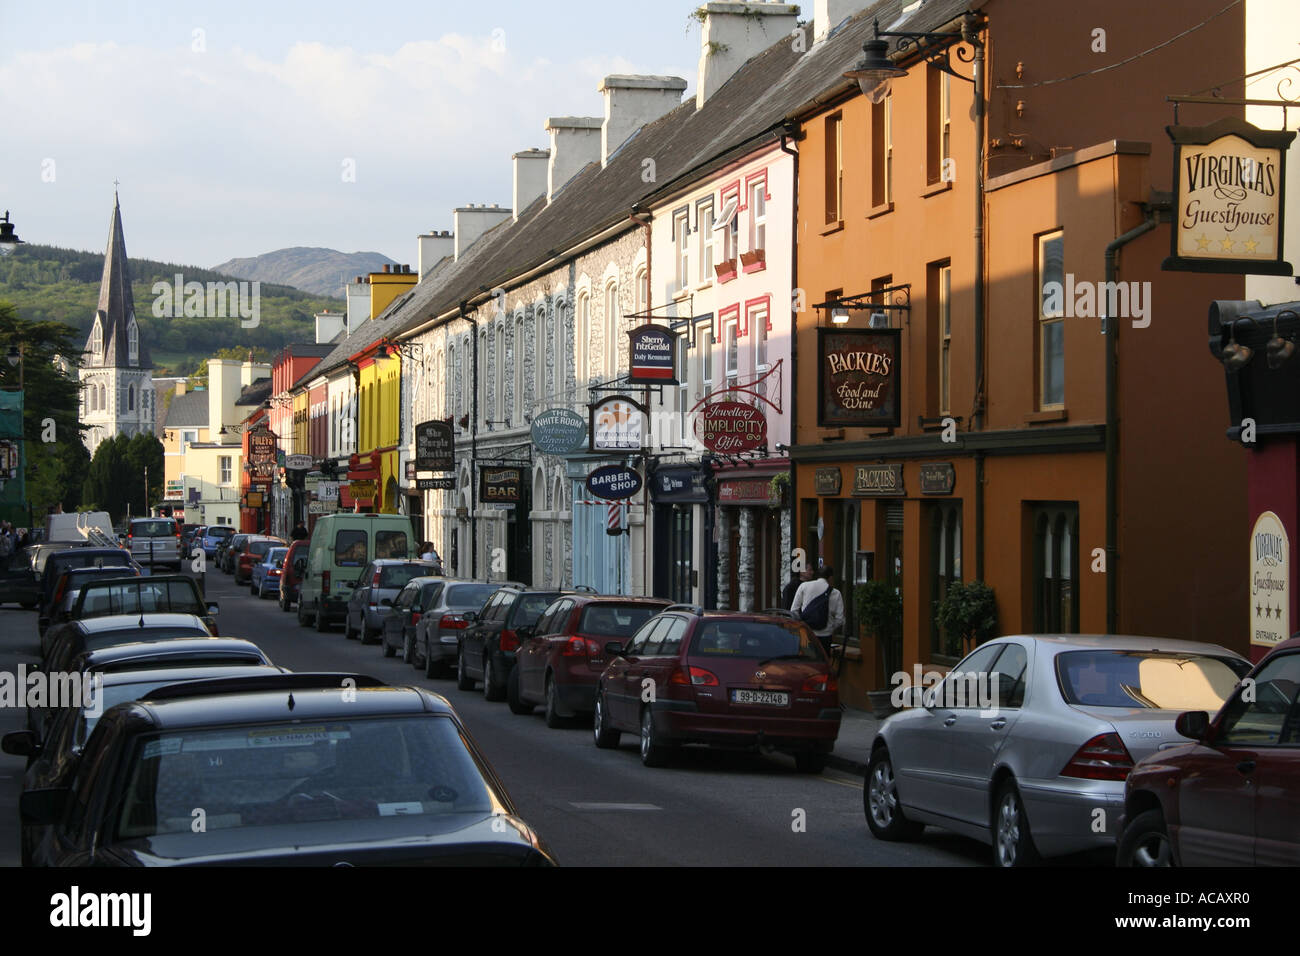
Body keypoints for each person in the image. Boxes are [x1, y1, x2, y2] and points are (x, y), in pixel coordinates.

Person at [790, 564, 845, 658]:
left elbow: (794, 611)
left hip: (807, 634)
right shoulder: (836, 593)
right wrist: (829, 627)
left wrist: (801, 626)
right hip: (825, 636)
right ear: (831, 577)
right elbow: (840, 619)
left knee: (807, 665)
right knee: (822, 665)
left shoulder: (804, 586)